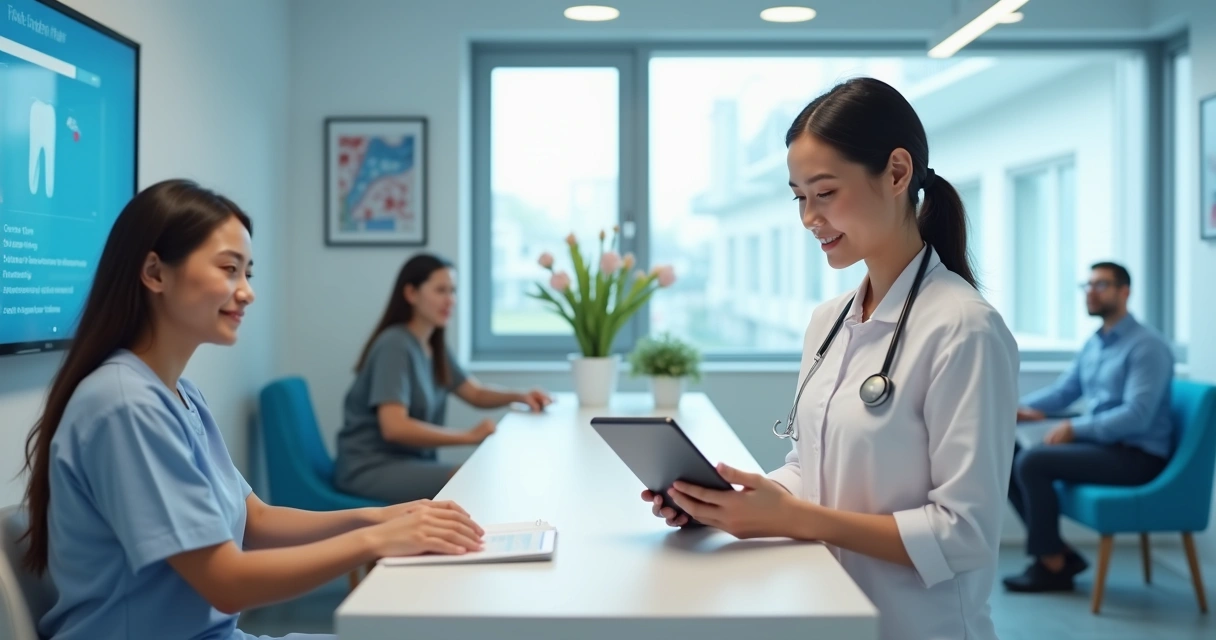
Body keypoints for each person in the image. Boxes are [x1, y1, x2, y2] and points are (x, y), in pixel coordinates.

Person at [21, 180, 485, 640]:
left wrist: (380, 517)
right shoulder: (124, 405)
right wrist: (377, 541)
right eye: (229, 269)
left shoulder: (180, 395)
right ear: (155, 273)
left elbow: (256, 520)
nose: (246, 292)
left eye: (248, 273)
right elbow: (226, 582)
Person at [641, 77, 1019, 640]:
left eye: (824, 193)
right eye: (799, 197)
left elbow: (963, 534)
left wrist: (792, 518)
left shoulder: (965, 329)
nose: (808, 218)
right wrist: (737, 504)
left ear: (896, 172)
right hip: (825, 611)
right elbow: (810, 468)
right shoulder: (829, 321)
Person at [1004, 261, 1173, 593]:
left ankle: (1050, 563)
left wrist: (1074, 428)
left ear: (1125, 292)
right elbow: (1066, 390)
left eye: (1101, 285)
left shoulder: (1147, 346)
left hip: (1137, 455)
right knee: (1009, 451)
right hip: (1104, 446)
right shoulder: (1096, 342)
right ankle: (1056, 554)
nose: (1091, 292)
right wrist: (1022, 409)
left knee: (1033, 462)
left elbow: (1136, 415)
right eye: (1088, 285)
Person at [333, 254, 552, 504]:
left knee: (476, 478)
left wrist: (520, 395)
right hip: (370, 467)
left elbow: (475, 393)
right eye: (441, 290)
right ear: (411, 293)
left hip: (410, 462)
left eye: (453, 291)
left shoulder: (431, 345)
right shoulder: (395, 345)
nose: (451, 300)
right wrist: (468, 436)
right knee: (471, 479)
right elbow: (394, 427)